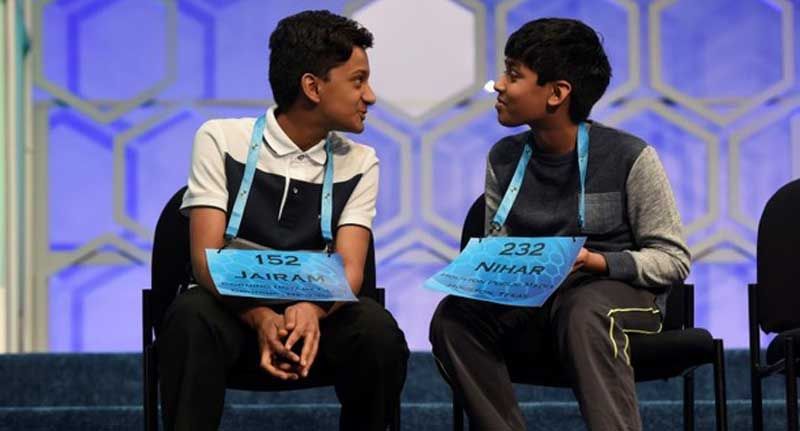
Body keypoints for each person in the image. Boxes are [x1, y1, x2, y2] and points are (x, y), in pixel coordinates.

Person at [429, 18, 690, 431]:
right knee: (455, 317)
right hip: (534, 298)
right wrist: (482, 271)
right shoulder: (503, 158)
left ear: (557, 93)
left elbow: (673, 260)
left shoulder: (630, 156)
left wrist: (597, 261)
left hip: (617, 294)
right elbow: (499, 245)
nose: (498, 85)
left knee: (583, 310)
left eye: (513, 75)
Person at [157, 10, 409, 431]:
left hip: (316, 319)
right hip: (233, 314)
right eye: (358, 81)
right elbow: (205, 260)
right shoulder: (220, 139)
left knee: (376, 330)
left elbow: (351, 270)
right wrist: (259, 316)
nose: (370, 96)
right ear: (312, 87)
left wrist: (311, 309)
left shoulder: (361, 161)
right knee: (190, 315)